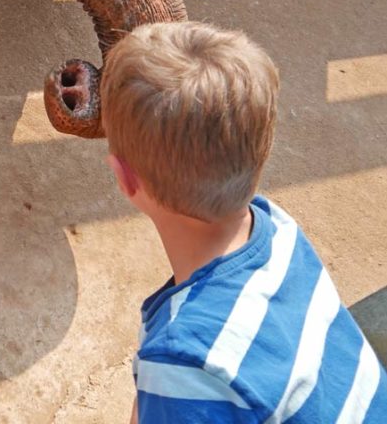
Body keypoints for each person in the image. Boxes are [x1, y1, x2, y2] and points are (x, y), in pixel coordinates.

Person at [101, 21, 387, 423]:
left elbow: (186, 374)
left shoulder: (185, 363)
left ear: (125, 178)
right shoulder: (278, 230)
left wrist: (165, 384)